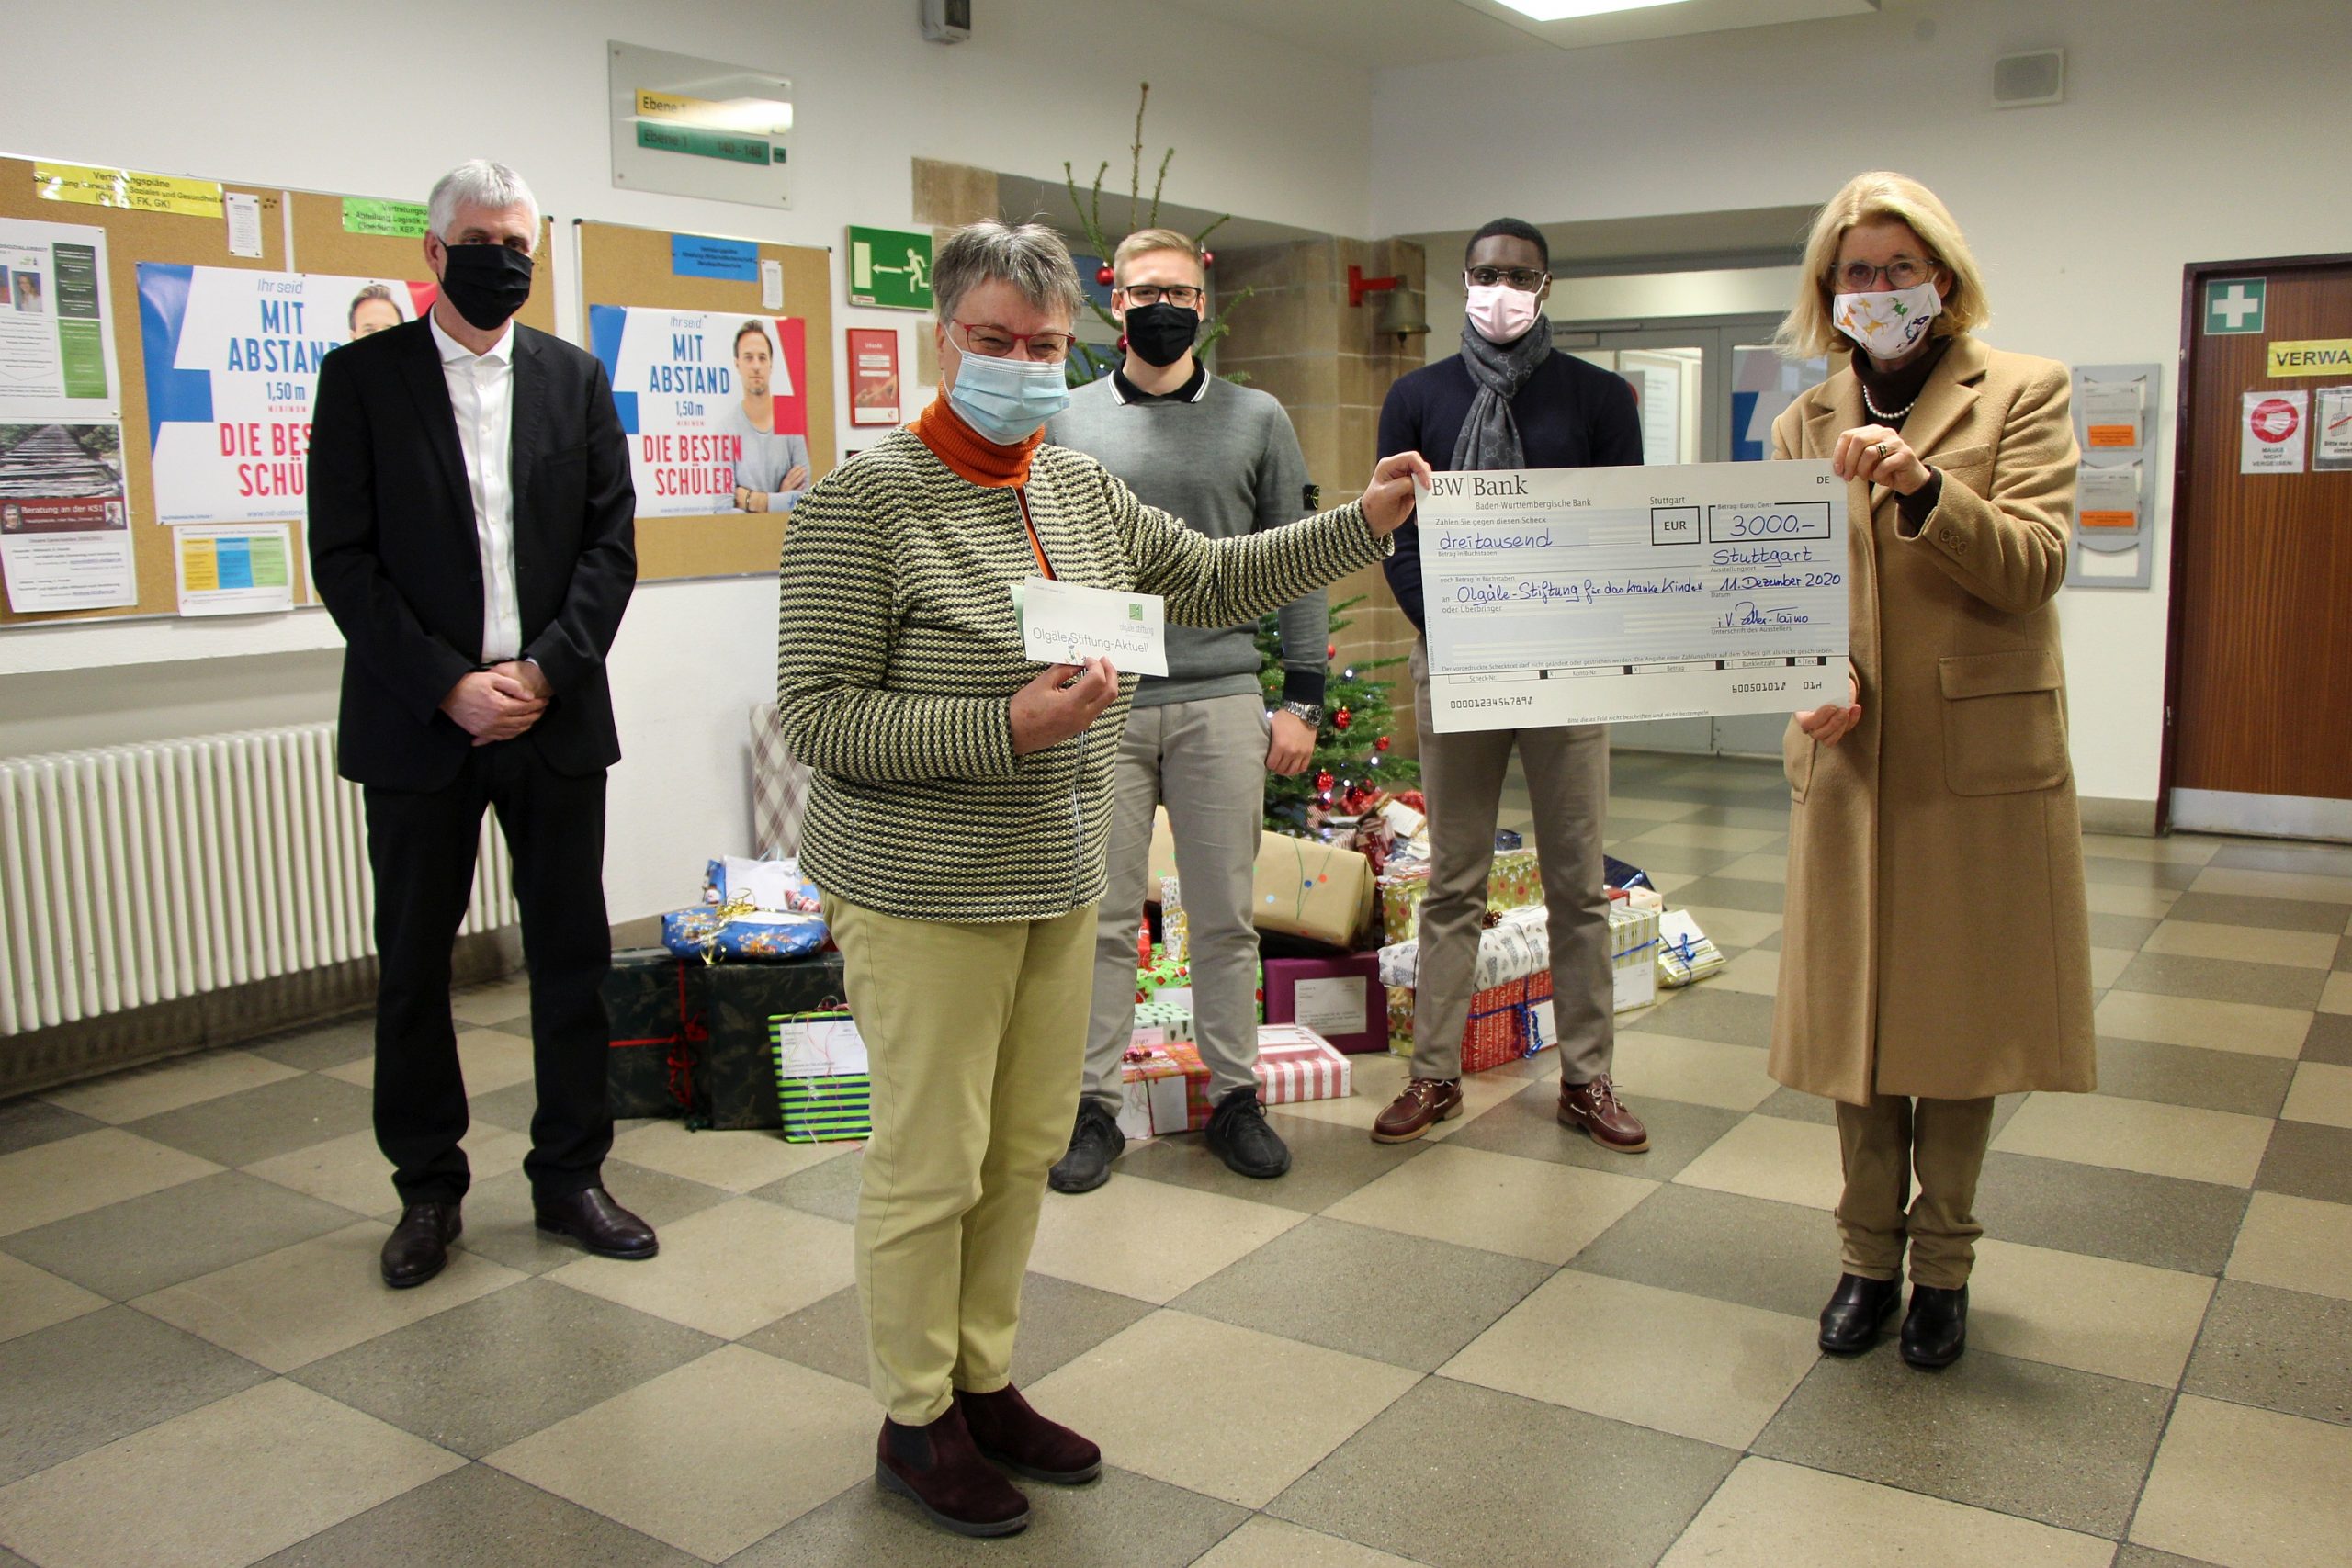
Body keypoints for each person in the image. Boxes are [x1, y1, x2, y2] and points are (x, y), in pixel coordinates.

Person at [774, 219, 1429, 1540]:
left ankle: (982, 1378)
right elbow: (819, 716)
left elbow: (1215, 576)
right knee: (931, 1160)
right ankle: (915, 1416)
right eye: (994, 341)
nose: (1022, 366)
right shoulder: (865, 502)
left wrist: (1358, 523)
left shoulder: (1075, 487)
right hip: (922, 884)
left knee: (1021, 1145)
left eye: (1042, 345)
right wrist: (1005, 726)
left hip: (1054, 873)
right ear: (943, 340)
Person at [308, 159, 650, 1291]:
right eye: (480, 242)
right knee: (413, 966)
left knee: (572, 957)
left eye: (518, 246)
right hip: (421, 723)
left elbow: (609, 548)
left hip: (555, 717)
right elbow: (343, 562)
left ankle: (571, 1176)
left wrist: (545, 670)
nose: (502, 261)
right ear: (432, 251)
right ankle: (427, 1191)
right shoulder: (362, 381)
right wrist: (449, 684)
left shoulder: (573, 378)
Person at [1769, 171, 2090, 1370]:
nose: (1877, 288)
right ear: (1828, 290)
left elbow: (2034, 565)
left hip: (1975, 759)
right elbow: (1785, 595)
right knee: (1857, 1017)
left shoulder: (2024, 391)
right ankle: (1865, 1256)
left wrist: (1922, 485)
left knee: (1959, 1019)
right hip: (1851, 754)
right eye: (1855, 271)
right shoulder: (1802, 421)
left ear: (1942, 278)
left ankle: (1944, 1264)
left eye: (1898, 267)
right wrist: (1799, 679)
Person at [1043, 227, 1325, 1192]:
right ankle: (1092, 1108)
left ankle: (1235, 1096)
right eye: (1141, 291)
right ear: (1113, 301)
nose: (1160, 307)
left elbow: (1296, 556)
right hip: (1102, 703)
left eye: (1177, 291)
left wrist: (1304, 697)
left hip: (1218, 695)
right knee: (1102, 916)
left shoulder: (1257, 419)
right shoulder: (1064, 418)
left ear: (1201, 303)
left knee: (1224, 917)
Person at [1371, 217, 1649, 1155]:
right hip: (1455, 659)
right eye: (1486, 274)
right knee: (1452, 878)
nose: (1501, 291)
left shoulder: (1599, 398)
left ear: (1546, 287)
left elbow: (1619, 526)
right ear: (1463, 280)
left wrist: (1562, 624)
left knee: (1577, 879)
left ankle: (1587, 1077)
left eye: (1519, 276)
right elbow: (1395, 534)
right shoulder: (1417, 397)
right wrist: (1449, 623)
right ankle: (1433, 1074)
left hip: (1566, 663)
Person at [714, 320, 811, 513]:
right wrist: (781, 498)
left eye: (762, 358)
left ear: (771, 365)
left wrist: (756, 500)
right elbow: (723, 509)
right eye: (748, 358)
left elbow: (807, 499)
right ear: (737, 364)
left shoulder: (788, 415)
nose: (756, 366)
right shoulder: (726, 428)